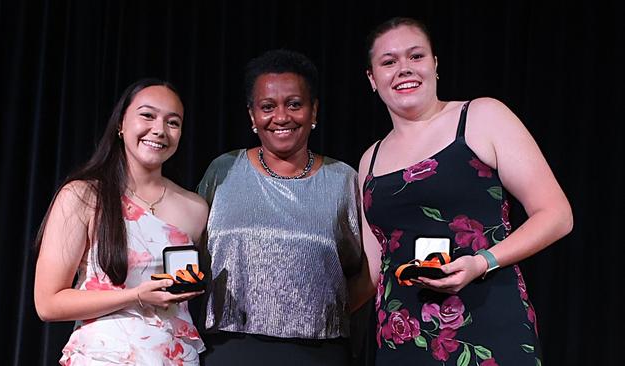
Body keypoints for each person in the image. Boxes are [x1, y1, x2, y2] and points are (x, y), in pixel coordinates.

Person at [358, 17, 573, 365]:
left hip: (487, 322)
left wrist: (481, 262)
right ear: (372, 78)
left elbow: (557, 215)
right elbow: (373, 266)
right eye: (388, 62)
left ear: (435, 65)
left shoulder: (481, 117)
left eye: (416, 56)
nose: (404, 69)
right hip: (402, 338)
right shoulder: (370, 159)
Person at [196, 49, 362, 365]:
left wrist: (321, 313)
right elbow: (188, 250)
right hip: (228, 350)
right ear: (252, 115)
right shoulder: (223, 171)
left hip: (318, 352)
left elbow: (366, 271)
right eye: (268, 106)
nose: (282, 117)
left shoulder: (343, 180)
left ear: (314, 112)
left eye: (295, 104)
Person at [34, 78, 208, 365]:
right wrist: (136, 296)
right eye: (147, 115)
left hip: (174, 356)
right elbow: (48, 304)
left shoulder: (195, 208)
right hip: (104, 355)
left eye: (173, 122)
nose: (159, 130)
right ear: (121, 125)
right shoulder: (84, 195)